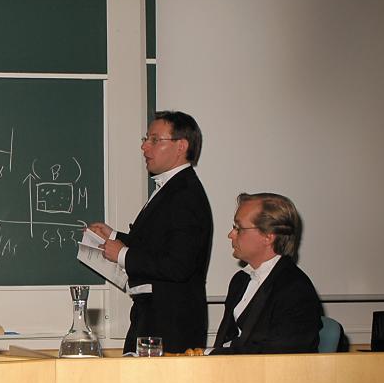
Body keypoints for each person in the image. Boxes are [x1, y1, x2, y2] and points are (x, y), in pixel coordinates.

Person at [89, 110, 213, 354]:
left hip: (171, 325)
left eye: (155, 140)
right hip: (152, 318)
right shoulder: (172, 187)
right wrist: (114, 237)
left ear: (181, 146)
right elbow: (158, 245)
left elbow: (179, 265)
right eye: (146, 139)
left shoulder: (185, 194)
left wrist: (122, 254)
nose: (145, 147)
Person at [209, 193, 321, 354]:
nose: (231, 234)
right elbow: (226, 342)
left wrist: (208, 354)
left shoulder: (295, 290)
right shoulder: (240, 280)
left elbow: (278, 357)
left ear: (268, 237)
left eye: (238, 228)